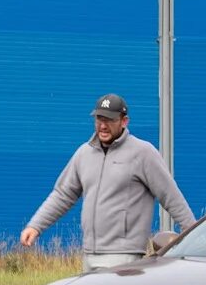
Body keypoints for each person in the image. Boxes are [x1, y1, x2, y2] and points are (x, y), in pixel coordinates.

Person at [20, 93, 197, 271]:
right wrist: (36, 226)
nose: (103, 126)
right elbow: (62, 195)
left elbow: (171, 196)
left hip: (125, 256)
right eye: (99, 119)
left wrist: (195, 235)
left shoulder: (143, 153)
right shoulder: (84, 153)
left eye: (109, 120)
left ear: (124, 121)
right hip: (89, 255)